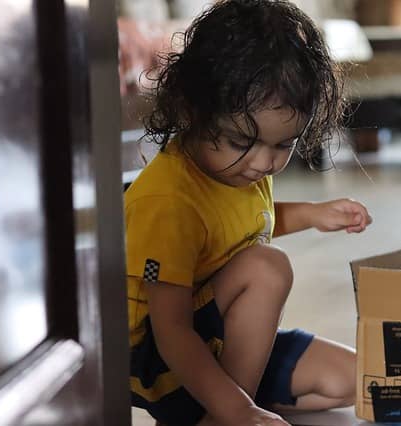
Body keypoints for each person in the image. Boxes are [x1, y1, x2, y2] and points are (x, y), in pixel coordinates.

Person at [125, 1, 372, 425]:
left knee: (351, 378)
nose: (262, 163)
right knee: (267, 268)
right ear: (191, 109)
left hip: (213, 336)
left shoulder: (233, 170)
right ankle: (224, 414)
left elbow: (241, 224)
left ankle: (239, 398)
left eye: (283, 145)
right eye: (243, 141)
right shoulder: (167, 203)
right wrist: (236, 410)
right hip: (159, 361)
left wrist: (311, 214)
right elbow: (172, 332)